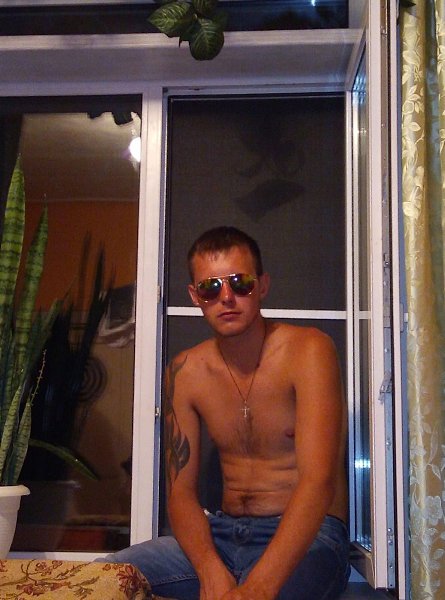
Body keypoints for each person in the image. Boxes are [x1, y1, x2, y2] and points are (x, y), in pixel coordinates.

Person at [103, 226, 350, 600]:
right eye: (210, 288)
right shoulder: (186, 372)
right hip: (221, 535)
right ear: (195, 296)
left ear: (262, 286)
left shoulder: (309, 351)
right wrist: (209, 570)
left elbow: (318, 482)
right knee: (100, 578)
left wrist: (259, 588)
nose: (227, 297)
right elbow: (181, 494)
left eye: (240, 283)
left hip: (310, 539)